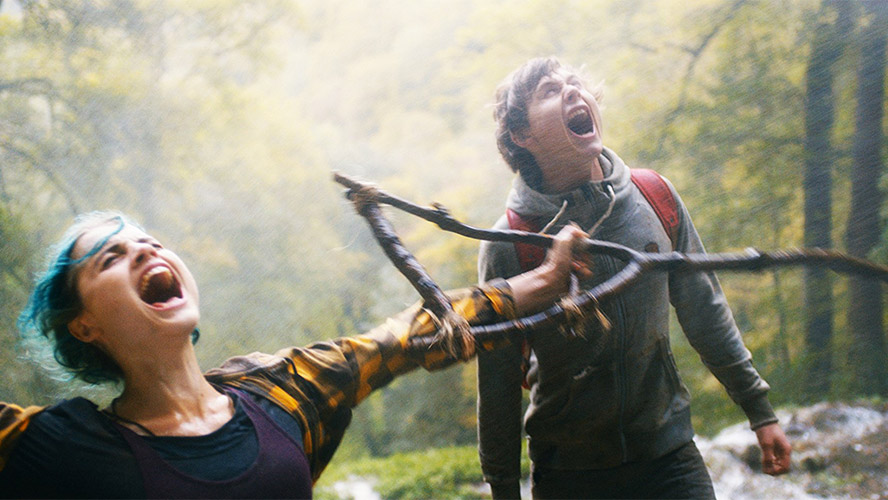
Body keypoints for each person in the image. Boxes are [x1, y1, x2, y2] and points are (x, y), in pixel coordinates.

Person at [0, 210, 587, 498]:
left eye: (150, 242)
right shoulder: (59, 450)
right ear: (83, 325)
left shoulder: (280, 391)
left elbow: (403, 337)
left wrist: (542, 280)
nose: (145, 251)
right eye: (110, 257)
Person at [476, 57, 792, 499]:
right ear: (522, 135)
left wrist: (759, 410)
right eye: (550, 90)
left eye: (575, 82)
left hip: (670, 457)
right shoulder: (511, 242)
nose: (573, 90)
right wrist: (504, 487)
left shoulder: (654, 197)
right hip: (569, 473)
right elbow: (498, 381)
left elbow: (704, 311)